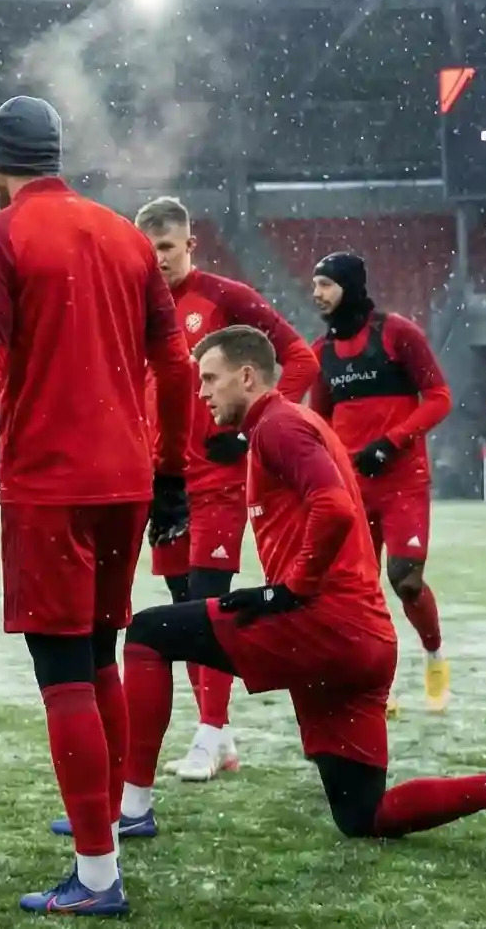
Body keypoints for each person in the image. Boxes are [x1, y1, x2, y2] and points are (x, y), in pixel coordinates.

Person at [117, 325, 486, 854]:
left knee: (147, 633)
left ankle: (131, 809)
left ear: (246, 377)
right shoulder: (296, 425)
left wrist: (287, 591)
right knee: (363, 814)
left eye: (210, 379)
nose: (201, 392)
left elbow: (335, 508)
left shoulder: (279, 426)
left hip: (323, 624)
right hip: (364, 641)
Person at [0, 97, 194, 919]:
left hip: (51, 482)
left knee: (61, 673)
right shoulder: (123, 235)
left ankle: (98, 875)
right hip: (127, 477)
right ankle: (105, 826)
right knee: (101, 655)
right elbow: (177, 366)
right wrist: (173, 472)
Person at [131, 197, 320, 783]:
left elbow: (300, 359)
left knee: (205, 604)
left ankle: (209, 733)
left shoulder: (226, 298)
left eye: (167, 247)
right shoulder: (134, 308)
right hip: (164, 484)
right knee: (185, 603)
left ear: (190, 245)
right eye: (149, 249)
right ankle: (222, 735)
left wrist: (255, 426)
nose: (158, 259)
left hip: (217, 480)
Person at [310, 250, 454, 714]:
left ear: (349, 286)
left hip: (402, 480)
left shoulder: (397, 334)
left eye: (326, 284)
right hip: (352, 485)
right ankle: (378, 682)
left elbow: (439, 397)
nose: (317, 294)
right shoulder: (321, 353)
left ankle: (434, 655)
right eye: (314, 285)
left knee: (405, 580)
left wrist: (391, 443)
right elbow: (319, 420)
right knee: (358, 589)